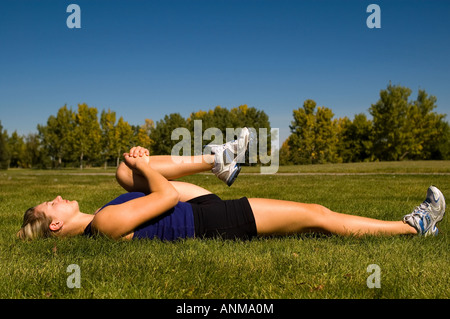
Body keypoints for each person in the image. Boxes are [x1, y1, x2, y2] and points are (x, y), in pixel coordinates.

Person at [17, 128, 446, 241]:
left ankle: (216, 161)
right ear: (54, 224)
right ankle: (414, 227)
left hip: (194, 210)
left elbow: (155, 193)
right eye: (49, 204)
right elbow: (163, 194)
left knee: (122, 172)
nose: (57, 197)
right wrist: (144, 166)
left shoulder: (104, 218)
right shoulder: (105, 222)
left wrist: (135, 166)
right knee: (319, 218)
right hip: (210, 222)